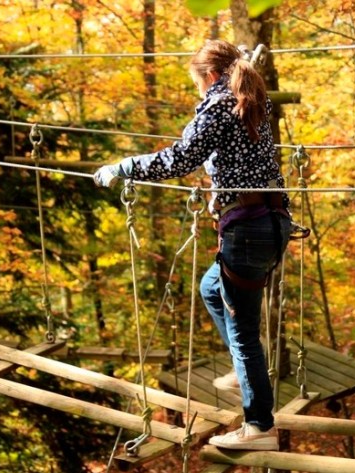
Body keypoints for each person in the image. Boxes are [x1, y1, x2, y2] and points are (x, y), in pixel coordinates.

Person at [93, 39, 291, 451]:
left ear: (210, 76)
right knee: (211, 289)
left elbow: (179, 159)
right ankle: (245, 370)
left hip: (247, 229)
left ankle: (259, 427)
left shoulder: (219, 103)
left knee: (244, 336)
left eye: (198, 83)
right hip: (272, 223)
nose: (199, 92)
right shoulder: (252, 98)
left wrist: (122, 167)